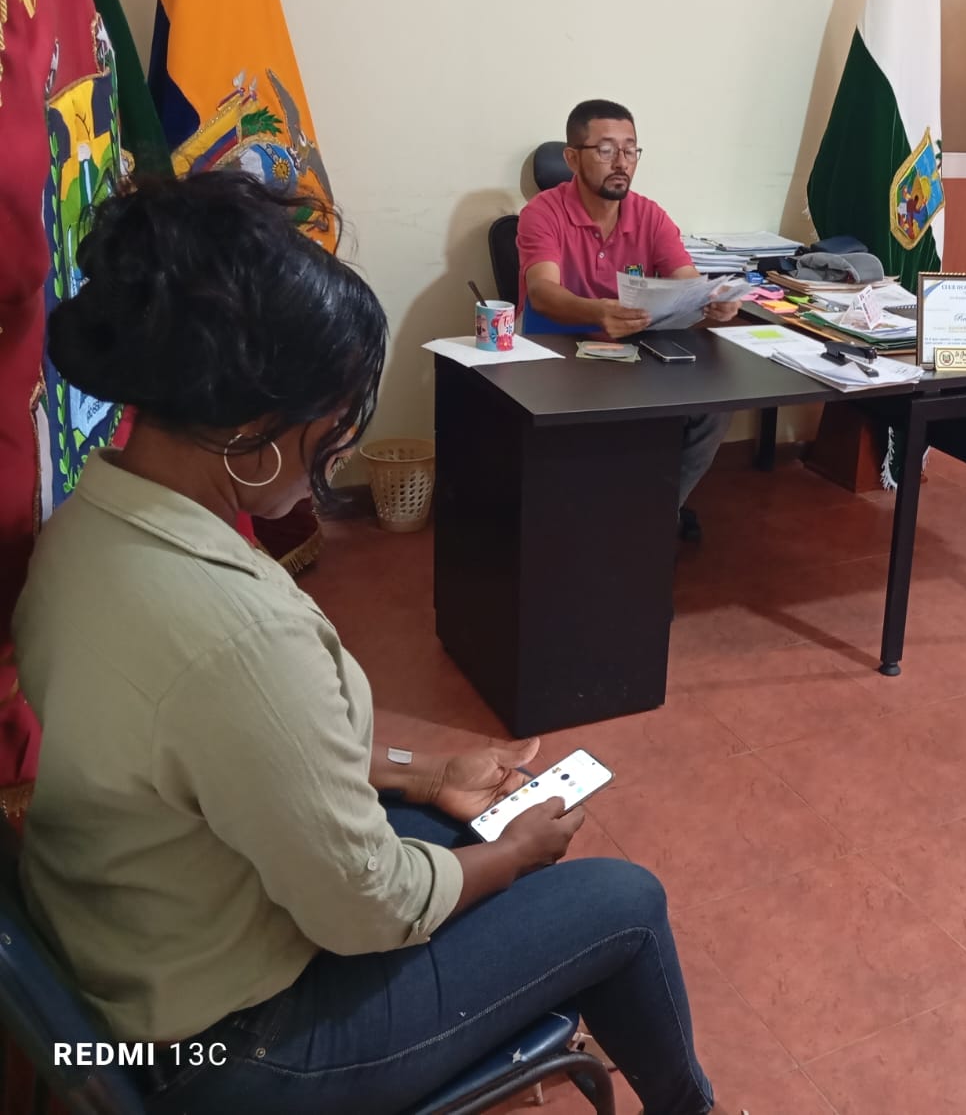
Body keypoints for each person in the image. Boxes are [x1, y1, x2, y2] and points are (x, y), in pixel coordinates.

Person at [12, 172, 737, 1115]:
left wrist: (424, 775)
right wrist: (516, 858)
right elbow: (371, 904)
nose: (344, 448)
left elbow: (244, 753)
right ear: (253, 428)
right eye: (337, 418)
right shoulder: (235, 636)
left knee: (456, 826)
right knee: (622, 905)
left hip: (126, 953)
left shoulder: (83, 530)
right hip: (239, 1054)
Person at [518, 98, 737, 544]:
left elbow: (687, 278)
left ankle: (655, 513)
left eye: (630, 149)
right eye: (605, 150)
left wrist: (713, 301)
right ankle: (589, 524)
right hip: (558, 353)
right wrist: (597, 310)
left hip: (633, 352)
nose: (621, 163)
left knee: (713, 407)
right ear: (572, 158)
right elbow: (542, 291)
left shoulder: (649, 214)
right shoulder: (543, 213)